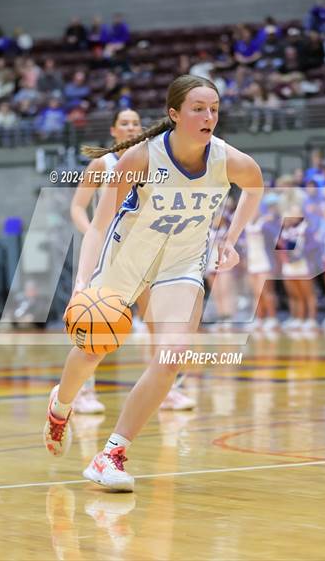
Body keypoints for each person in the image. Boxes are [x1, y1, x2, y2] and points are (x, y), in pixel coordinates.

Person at [43, 75, 264, 491]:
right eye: (198, 108)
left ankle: (112, 454)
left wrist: (230, 240)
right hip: (127, 257)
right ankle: (62, 404)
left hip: (180, 264)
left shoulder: (231, 160)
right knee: (92, 350)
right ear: (174, 114)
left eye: (214, 108)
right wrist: (82, 283)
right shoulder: (140, 160)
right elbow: (97, 226)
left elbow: (255, 188)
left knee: (172, 355)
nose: (209, 116)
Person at [70, 108, 195, 413]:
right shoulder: (103, 163)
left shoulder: (152, 160)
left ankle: (166, 390)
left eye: (135, 124)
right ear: (113, 131)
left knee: (155, 321)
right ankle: (82, 393)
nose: (130, 128)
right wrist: (95, 237)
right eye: (124, 123)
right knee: (94, 321)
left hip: (144, 253)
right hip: (108, 252)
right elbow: (77, 207)